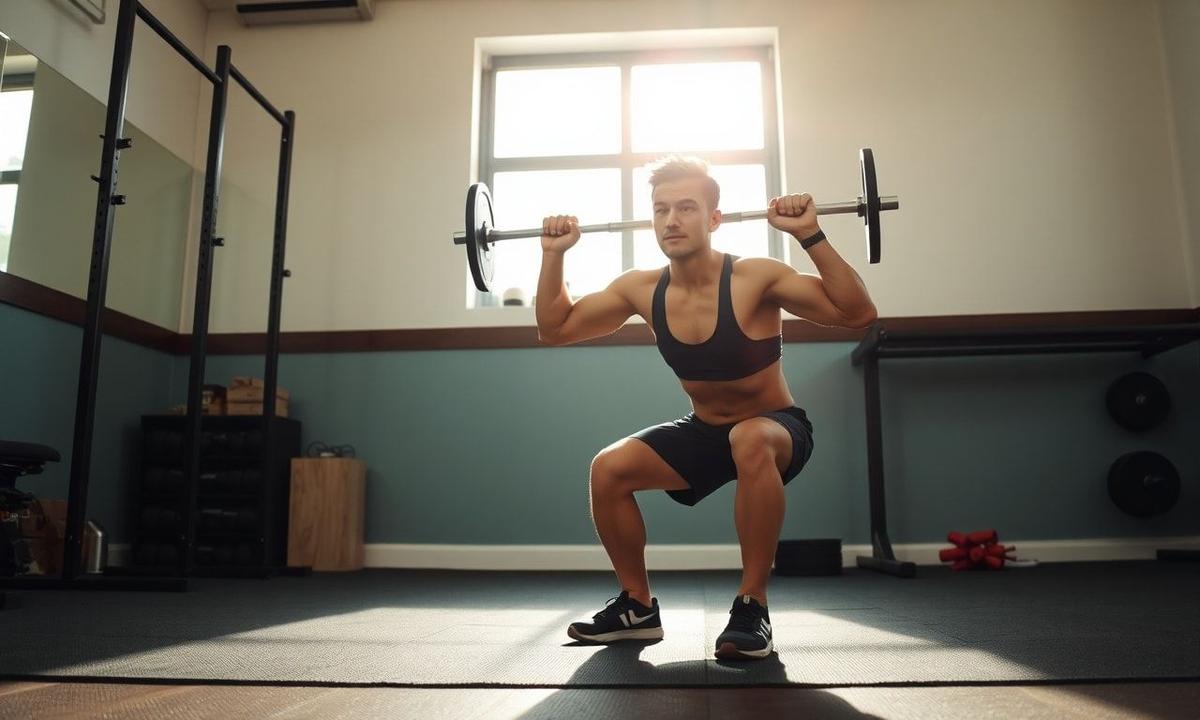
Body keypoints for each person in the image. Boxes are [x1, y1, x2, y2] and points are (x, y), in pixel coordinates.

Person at [535, 156, 877, 661]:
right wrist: (553, 255)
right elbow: (555, 329)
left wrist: (810, 234)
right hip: (706, 431)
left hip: (776, 429)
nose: (671, 220)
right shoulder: (640, 287)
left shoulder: (756, 277)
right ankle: (637, 607)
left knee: (749, 436)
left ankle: (752, 605)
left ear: (715, 218)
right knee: (609, 468)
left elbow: (857, 312)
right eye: (661, 210)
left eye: (687, 208)